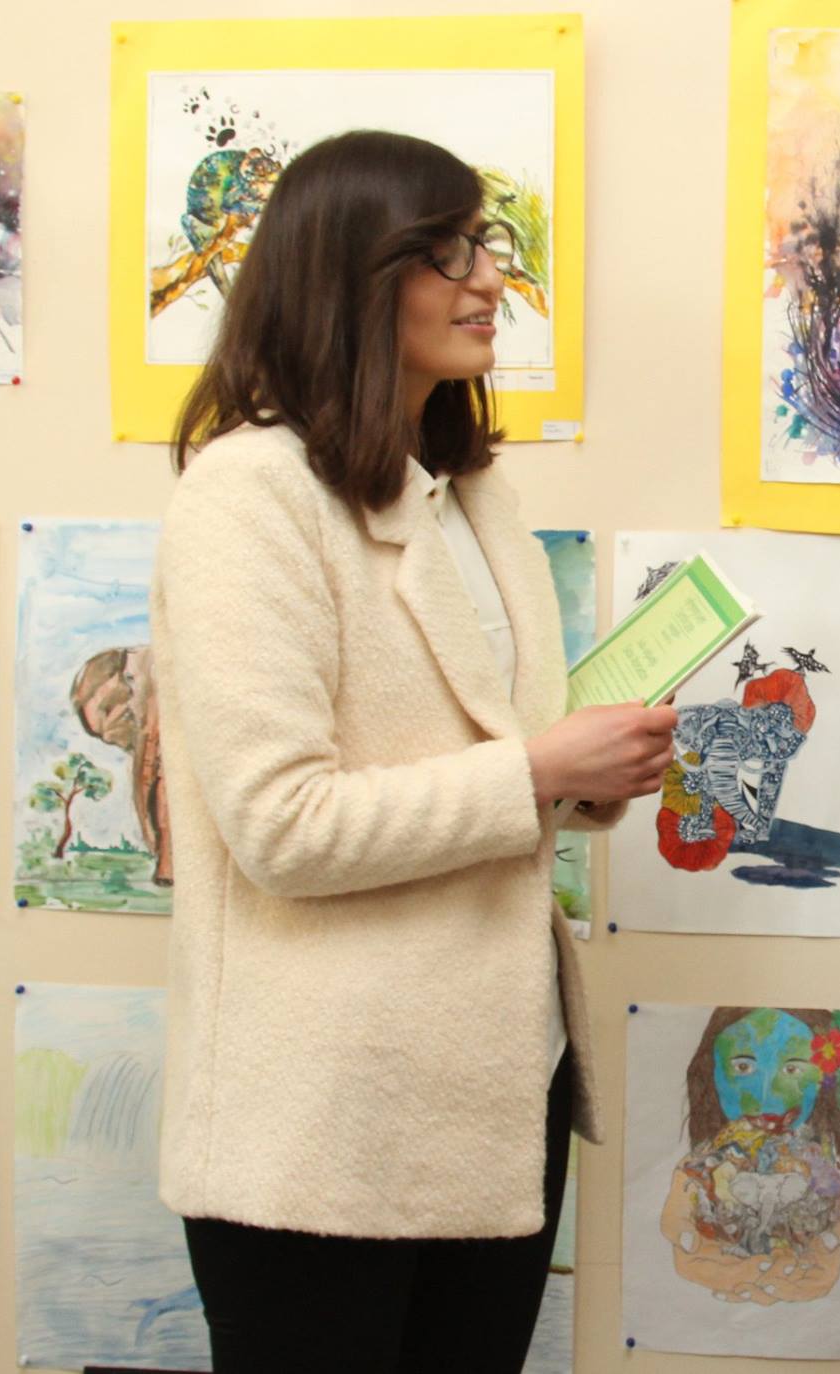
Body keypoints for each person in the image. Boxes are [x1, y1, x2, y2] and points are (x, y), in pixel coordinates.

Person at [151, 129, 678, 1372]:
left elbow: (488, 752)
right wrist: (543, 771)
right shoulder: (248, 492)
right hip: (323, 1128)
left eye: (483, 245)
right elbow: (281, 827)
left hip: (496, 1094)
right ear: (346, 277)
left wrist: (592, 774)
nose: (489, 279)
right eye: (445, 254)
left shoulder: (473, 493)